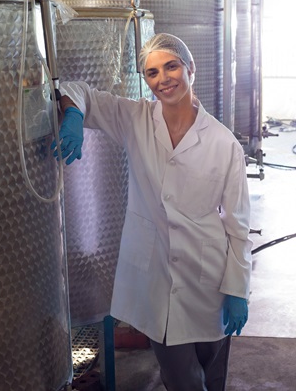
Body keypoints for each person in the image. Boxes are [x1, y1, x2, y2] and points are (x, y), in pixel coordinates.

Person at [52, 33, 252, 390]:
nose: (163, 79)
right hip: (156, 280)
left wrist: (238, 289)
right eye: (152, 72)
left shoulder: (224, 143)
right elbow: (78, 89)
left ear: (191, 68)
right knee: (181, 380)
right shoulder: (135, 118)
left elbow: (236, 224)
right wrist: (72, 115)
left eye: (171, 66)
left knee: (213, 376)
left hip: (209, 280)